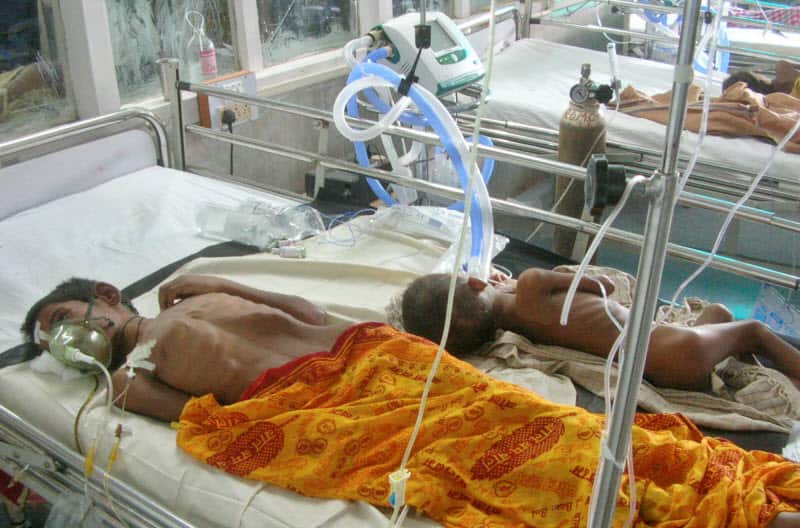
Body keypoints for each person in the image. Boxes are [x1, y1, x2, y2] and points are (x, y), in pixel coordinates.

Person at [401, 268, 800, 391]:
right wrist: (516, 283)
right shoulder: (531, 283)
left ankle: (760, 378)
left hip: (659, 368)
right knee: (754, 329)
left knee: (718, 312)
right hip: (674, 348)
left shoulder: (513, 329)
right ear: (476, 281)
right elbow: (605, 286)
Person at [22, 274, 351, 422]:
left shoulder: (199, 294)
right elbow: (224, 422)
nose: (66, 338)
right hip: (329, 403)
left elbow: (313, 316)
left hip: (361, 350)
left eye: (62, 319)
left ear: (107, 295)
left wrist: (223, 284)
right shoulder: (130, 380)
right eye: (54, 345)